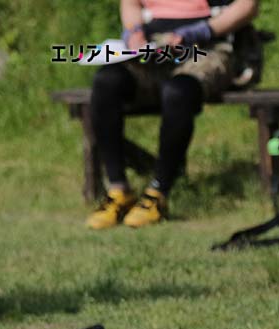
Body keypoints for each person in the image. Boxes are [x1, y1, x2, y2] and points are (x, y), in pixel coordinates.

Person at [85, 0, 260, 230]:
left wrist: (200, 31)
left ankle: (158, 192)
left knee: (178, 92)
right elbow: (131, 4)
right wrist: (135, 32)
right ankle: (118, 191)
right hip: (152, 46)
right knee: (106, 82)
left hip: (208, 46)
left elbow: (248, 6)